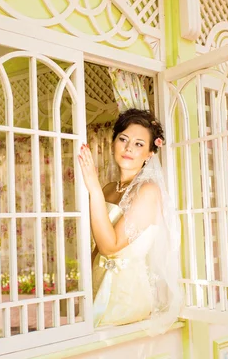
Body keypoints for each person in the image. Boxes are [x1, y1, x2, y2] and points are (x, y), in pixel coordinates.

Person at [78, 108, 181, 335]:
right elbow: (97, 247)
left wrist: (93, 189)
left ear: (150, 154)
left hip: (125, 297)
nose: (128, 148)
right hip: (97, 283)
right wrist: (82, 287)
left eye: (138, 144)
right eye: (123, 139)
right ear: (113, 142)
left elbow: (110, 246)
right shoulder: (107, 189)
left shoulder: (148, 191)